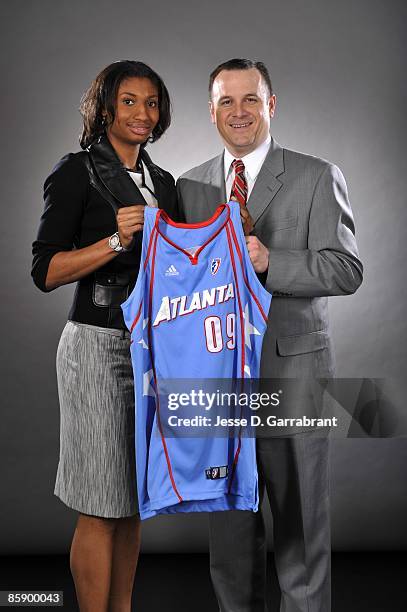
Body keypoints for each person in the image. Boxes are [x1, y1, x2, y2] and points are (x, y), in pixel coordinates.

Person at [177, 58, 363, 612]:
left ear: (270, 105)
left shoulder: (316, 175)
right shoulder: (188, 187)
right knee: (230, 540)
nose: (239, 112)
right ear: (210, 111)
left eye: (250, 99)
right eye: (226, 102)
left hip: (294, 377)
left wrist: (269, 262)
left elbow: (345, 270)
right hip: (219, 388)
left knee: (300, 529)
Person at [31, 60, 179, 612]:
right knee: (98, 502)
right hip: (95, 346)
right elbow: (44, 271)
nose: (143, 113)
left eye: (152, 103)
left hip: (150, 350)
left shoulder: (162, 182)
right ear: (105, 108)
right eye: (129, 102)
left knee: (132, 502)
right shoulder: (76, 171)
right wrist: (115, 242)